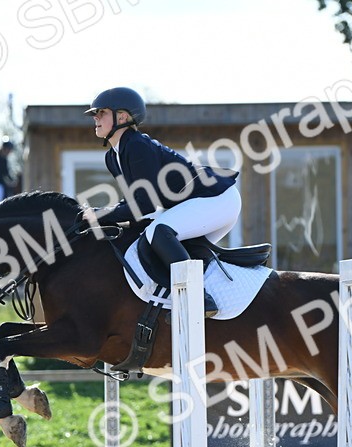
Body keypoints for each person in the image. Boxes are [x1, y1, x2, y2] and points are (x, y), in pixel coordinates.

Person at [82, 87, 240, 316]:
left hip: (217, 199)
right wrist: (102, 215)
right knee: (153, 237)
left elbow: (144, 206)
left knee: (158, 232)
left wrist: (101, 215)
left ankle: (198, 299)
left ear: (123, 117)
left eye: (101, 112)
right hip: (200, 204)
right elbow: (136, 204)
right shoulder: (113, 156)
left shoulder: (135, 145)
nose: (95, 118)